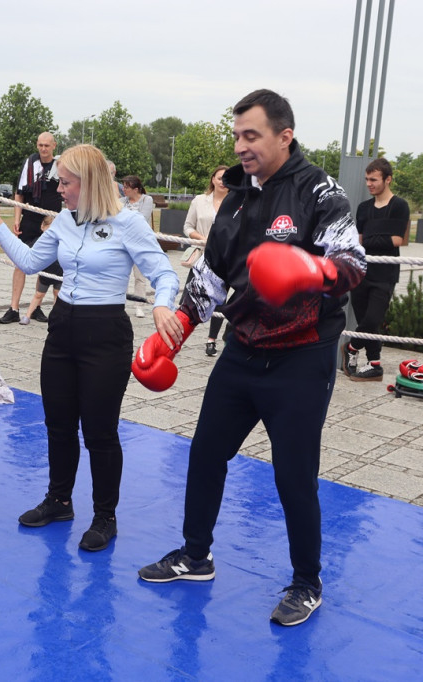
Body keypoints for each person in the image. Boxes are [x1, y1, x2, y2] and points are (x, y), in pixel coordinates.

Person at [135, 89, 366, 627]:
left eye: (252, 135)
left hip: (302, 358)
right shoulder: (236, 199)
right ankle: (196, 556)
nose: (241, 146)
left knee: (294, 475)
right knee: (206, 452)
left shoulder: (320, 192)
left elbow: (353, 263)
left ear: (285, 135)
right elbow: (211, 278)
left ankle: (307, 582)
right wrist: (177, 331)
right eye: (237, 135)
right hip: (243, 351)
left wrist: (314, 273)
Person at [0, 144, 181, 552]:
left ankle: (104, 516)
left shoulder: (128, 223)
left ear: (88, 182)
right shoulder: (63, 221)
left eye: (65, 181)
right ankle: (59, 501)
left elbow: (165, 274)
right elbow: (28, 262)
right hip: (63, 327)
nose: (58, 188)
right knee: (57, 424)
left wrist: (163, 304)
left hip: (105, 332)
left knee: (99, 432)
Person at [343, 158, 410, 381]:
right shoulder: (363, 208)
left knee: (372, 319)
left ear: (388, 179)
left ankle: (351, 348)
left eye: (374, 179)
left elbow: (397, 240)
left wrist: (371, 239)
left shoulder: (399, 206)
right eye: (367, 179)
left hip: (385, 273)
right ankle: (374, 365)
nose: (369, 184)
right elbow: (360, 241)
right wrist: (377, 238)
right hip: (361, 271)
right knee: (365, 321)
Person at [0, 132, 62, 324]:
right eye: (40, 145)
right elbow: (19, 194)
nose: (43, 149)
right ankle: (14, 308)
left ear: (54, 146)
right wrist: (17, 218)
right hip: (30, 217)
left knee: (49, 263)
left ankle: (37, 308)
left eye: (47, 145)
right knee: (20, 261)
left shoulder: (61, 165)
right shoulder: (29, 164)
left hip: (52, 220)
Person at [183, 165, 230, 356]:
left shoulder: (236, 202)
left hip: (225, 257)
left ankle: (212, 340)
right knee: (188, 294)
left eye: (226, 179)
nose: (222, 181)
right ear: (212, 179)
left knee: (221, 299)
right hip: (202, 255)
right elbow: (187, 226)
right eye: (219, 178)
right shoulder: (199, 201)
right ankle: (179, 333)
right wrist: (203, 239)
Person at [121, 175, 155, 318]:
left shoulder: (147, 200)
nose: (123, 190)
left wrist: (125, 221)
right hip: (123, 242)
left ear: (136, 189)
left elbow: (142, 218)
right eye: (123, 186)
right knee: (122, 274)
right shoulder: (121, 201)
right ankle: (119, 303)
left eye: (126, 187)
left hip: (140, 243)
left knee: (140, 276)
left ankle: (139, 305)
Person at [19, 215, 61, 325]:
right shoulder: (39, 241)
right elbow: (30, 252)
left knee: (57, 294)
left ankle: (55, 316)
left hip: (59, 273)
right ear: (42, 227)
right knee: (38, 294)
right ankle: (27, 315)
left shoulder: (60, 241)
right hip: (45, 274)